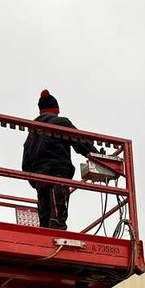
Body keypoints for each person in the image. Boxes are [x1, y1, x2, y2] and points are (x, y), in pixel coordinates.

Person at [21, 90, 97, 230]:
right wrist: (98, 156)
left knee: (44, 223)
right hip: (58, 177)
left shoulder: (31, 134)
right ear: (56, 110)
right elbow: (81, 142)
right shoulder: (60, 122)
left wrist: (37, 181)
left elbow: (25, 166)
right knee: (57, 221)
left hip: (40, 181)